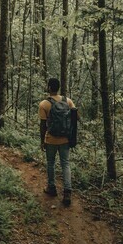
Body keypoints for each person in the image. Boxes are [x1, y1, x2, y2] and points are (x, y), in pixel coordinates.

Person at [38, 78, 77, 206]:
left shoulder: (44, 104)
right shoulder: (68, 101)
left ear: (49, 87)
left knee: (51, 163)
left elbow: (43, 125)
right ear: (59, 88)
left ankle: (52, 188)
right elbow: (76, 117)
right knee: (65, 164)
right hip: (65, 139)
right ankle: (67, 192)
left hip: (51, 139)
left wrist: (42, 141)